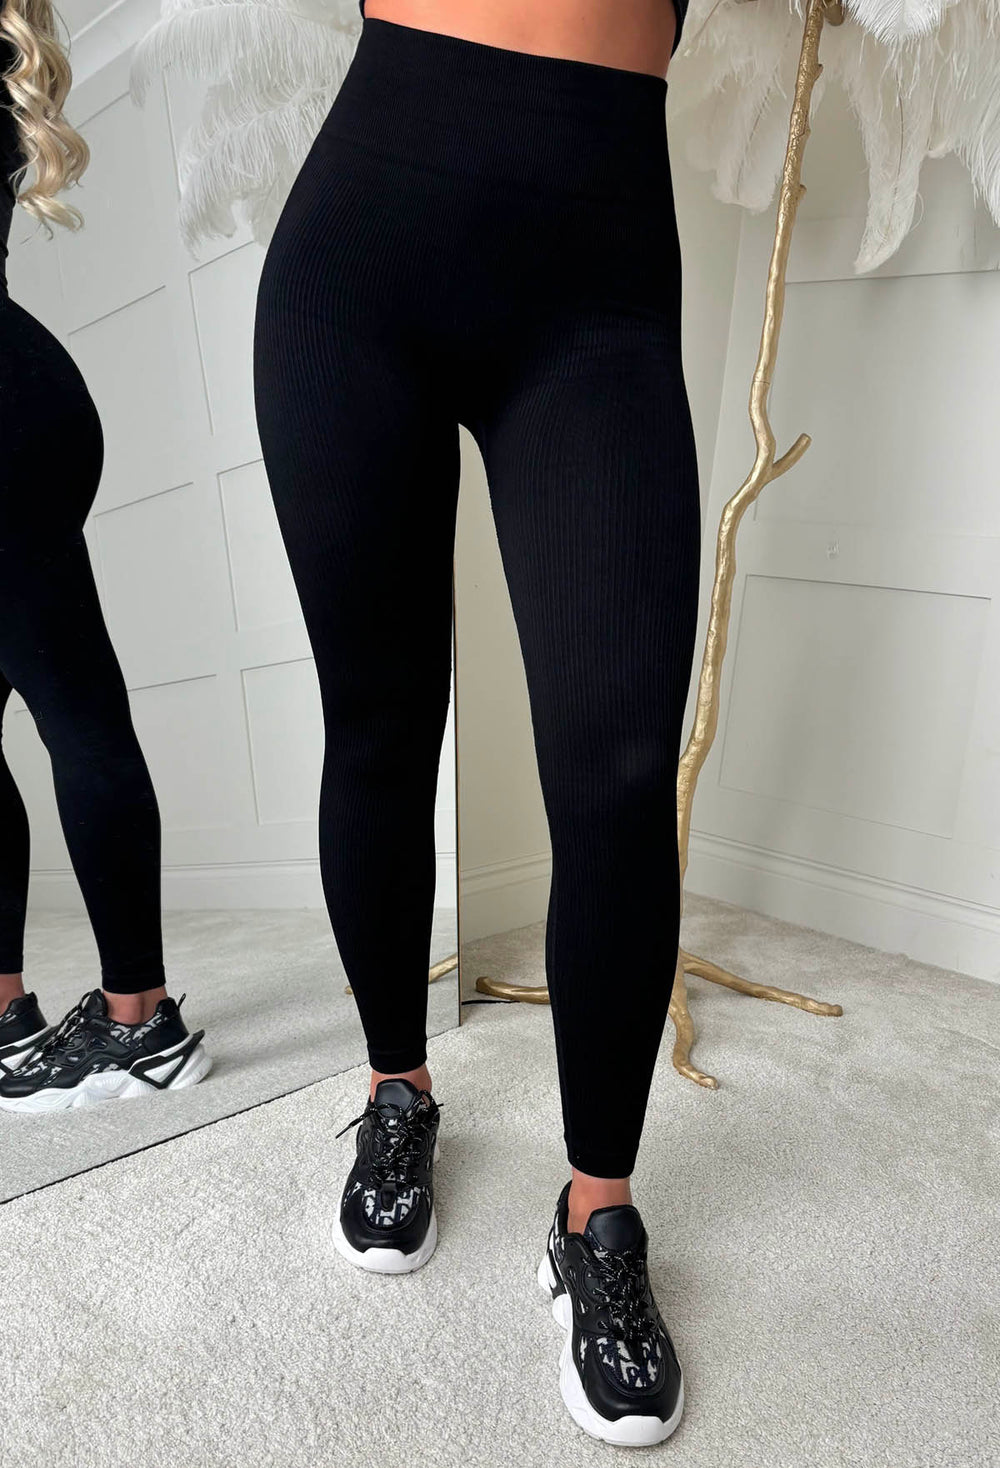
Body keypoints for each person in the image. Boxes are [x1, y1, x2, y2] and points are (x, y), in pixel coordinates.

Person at [253, 0, 697, 1445]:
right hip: (355, 264)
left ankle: (596, 1212)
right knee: (381, 723)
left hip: (598, 291)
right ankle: (398, 1088)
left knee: (619, 770)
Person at [0, 1, 211, 1111]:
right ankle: (7, 1017)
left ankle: (142, 1021)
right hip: (22, 395)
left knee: (76, 710)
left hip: (4, 415)